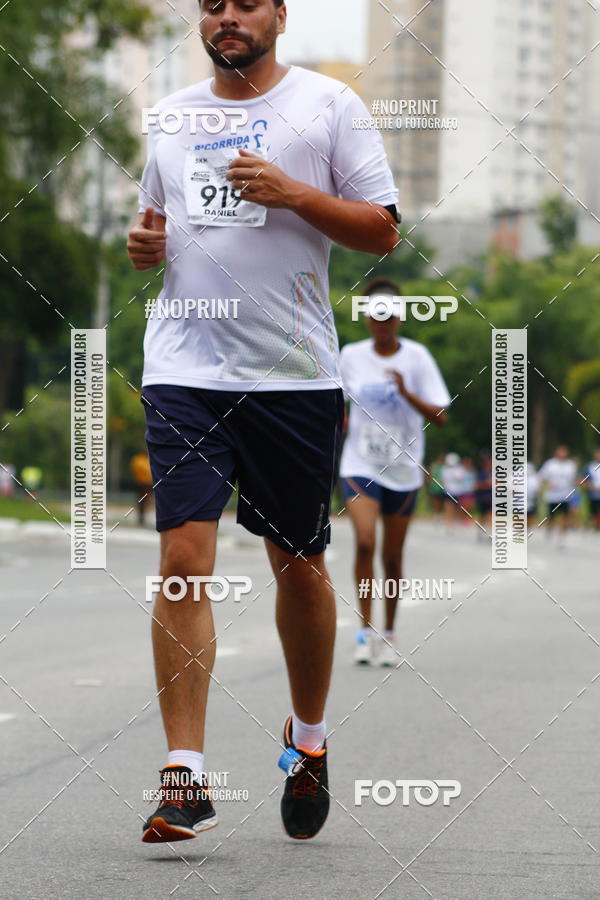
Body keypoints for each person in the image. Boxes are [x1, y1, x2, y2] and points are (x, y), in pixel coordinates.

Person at [127, 0, 399, 844]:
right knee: (182, 554)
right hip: (183, 371)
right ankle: (185, 776)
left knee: (299, 563)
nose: (228, 17)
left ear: (280, 13)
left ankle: (308, 743)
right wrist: (144, 246)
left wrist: (293, 193)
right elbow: (157, 224)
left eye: (246, 2)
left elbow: (383, 231)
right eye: (213, 4)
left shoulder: (328, 106)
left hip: (291, 376)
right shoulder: (170, 116)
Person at [338, 279, 450, 666]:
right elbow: (334, 404)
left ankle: (388, 632)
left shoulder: (417, 358)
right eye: (375, 315)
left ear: (400, 317)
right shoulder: (350, 355)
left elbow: (440, 416)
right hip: (360, 464)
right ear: (366, 317)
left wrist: (405, 392)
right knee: (366, 542)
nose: (382, 323)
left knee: (393, 555)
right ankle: (364, 632)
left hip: (403, 469)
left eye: (389, 316)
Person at [539, 445, 577, 544]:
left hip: (566, 495)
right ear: (557, 452)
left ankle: (561, 536)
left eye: (564, 452)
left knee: (564, 516)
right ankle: (549, 528)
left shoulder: (570, 465)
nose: (562, 454)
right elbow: (542, 477)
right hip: (552, 496)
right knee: (551, 516)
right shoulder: (550, 464)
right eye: (561, 452)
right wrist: (548, 484)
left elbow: (574, 478)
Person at [441, 452, 466, 532]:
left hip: (457, 491)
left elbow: (461, 478)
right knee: (448, 508)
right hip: (448, 491)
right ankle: (448, 525)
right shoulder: (444, 469)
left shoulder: (460, 469)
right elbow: (443, 480)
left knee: (456, 508)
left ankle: (453, 522)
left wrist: (454, 474)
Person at [130, 451, 154, 526]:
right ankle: (141, 517)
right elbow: (139, 470)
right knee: (142, 500)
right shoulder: (139, 460)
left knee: (146, 500)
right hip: (141, 483)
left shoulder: (147, 460)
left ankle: (143, 517)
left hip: (148, 484)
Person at [474, 451, 493, 537]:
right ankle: (481, 531)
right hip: (482, 497)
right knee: (482, 515)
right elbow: (477, 485)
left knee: (490, 514)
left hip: (491, 497)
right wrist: (487, 484)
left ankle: (490, 532)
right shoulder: (480, 473)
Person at [581, 449, 600, 530]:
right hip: (594, 494)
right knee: (594, 511)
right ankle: (596, 525)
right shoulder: (589, 466)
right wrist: (589, 486)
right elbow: (581, 479)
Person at [428, 452, 446, 520]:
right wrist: (430, 483)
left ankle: (439, 514)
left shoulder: (444, 466)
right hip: (435, 486)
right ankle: (435, 514)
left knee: (442, 501)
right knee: (435, 501)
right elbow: (430, 474)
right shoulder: (434, 465)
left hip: (443, 487)